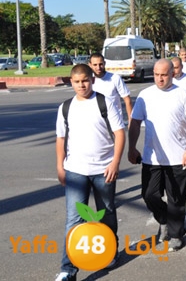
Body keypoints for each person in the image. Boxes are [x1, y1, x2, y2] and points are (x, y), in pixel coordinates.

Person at [54, 64, 125, 281]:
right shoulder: (65, 107)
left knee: (106, 212)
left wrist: (115, 163)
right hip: (75, 170)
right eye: (77, 81)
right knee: (74, 220)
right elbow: (61, 138)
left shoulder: (105, 102)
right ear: (71, 82)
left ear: (92, 80)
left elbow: (119, 134)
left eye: (85, 80)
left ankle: (109, 252)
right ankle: (68, 269)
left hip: (103, 170)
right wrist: (60, 165)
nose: (81, 85)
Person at [128, 59, 186, 252]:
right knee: (149, 195)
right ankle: (164, 220)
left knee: (176, 199)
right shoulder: (145, 95)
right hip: (151, 158)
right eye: (157, 75)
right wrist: (131, 147)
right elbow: (135, 123)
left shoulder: (183, 94)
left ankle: (176, 234)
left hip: (178, 157)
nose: (160, 79)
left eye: (164, 75)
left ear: (172, 74)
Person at [88, 52, 133, 122]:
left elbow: (127, 100)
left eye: (100, 64)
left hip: (114, 121)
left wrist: (131, 120)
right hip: (96, 122)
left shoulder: (115, 78)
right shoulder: (88, 80)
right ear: (90, 65)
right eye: (95, 65)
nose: (98, 67)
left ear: (104, 63)